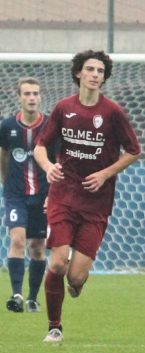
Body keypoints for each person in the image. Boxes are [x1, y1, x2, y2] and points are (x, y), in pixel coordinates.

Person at [33, 50, 141, 343]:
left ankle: (77, 284)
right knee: (56, 263)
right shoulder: (63, 108)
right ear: (79, 73)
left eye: (100, 71)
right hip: (63, 197)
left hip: (96, 202)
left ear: (104, 77)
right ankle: (54, 326)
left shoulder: (113, 113)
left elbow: (133, 151)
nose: (95, 74)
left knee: (76, 276)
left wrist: (106, 173)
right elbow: (40, 146)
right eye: (90, 69)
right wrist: (48, 167)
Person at [0, 77, 49, 313]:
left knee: (38, 247)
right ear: (19, 98)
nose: (31, 98)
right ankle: (17, 295)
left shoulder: (50, 126)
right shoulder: (7, 126)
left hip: (42, 195)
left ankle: (32, 298)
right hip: (16, 195)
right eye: (27, 94)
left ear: (40, 97)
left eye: (35, 94)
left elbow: (57, 161)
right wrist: (5, 182)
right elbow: (2, 156)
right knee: (17, 239)